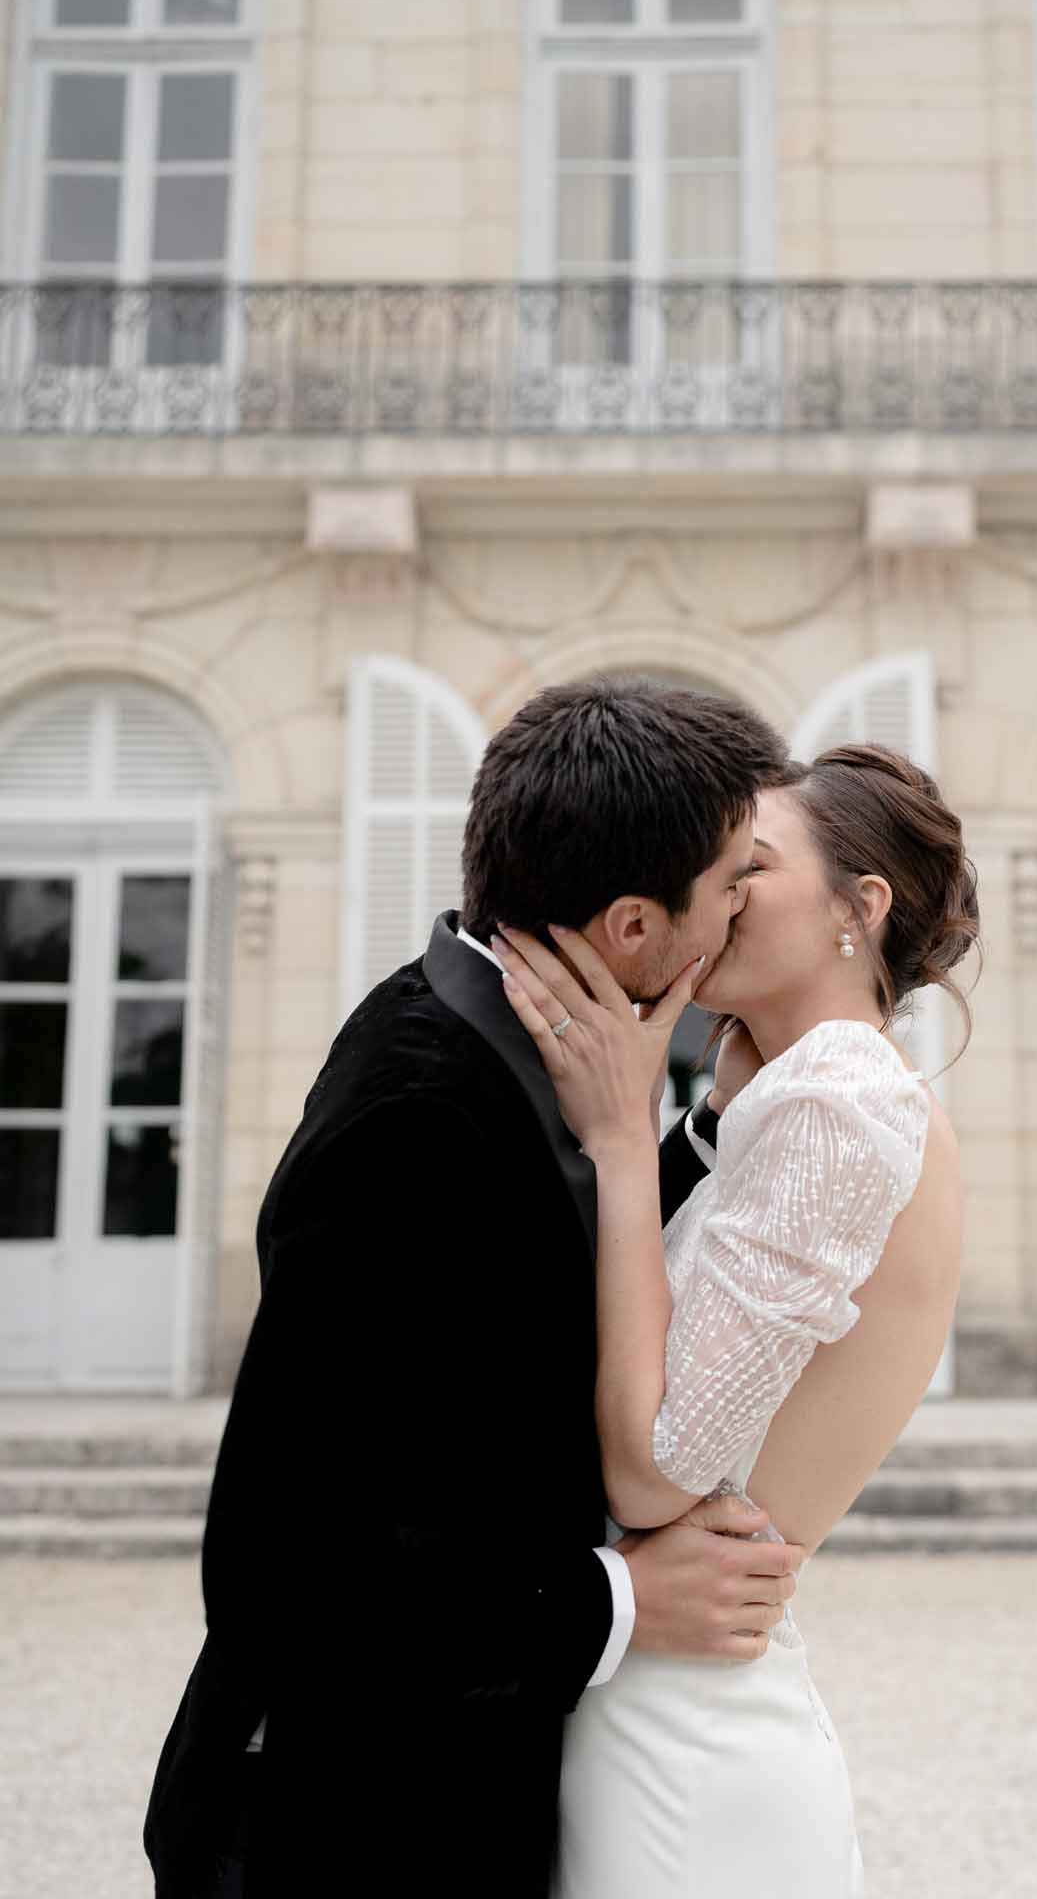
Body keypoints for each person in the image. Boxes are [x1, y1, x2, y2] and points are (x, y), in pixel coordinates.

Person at [143, 676, 797, 1899]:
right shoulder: (415, 1114)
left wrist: (697, 1132)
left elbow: (535, 1272)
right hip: (344, 1826)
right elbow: (299, 1571)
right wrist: (618, 1599)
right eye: (729, 881)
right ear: (634, 928)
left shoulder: (503, 1029)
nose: (743, 907)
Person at [496, 742, 976, 1898]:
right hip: (672, 1697)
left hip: (686, 1744)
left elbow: (659, 1469)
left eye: (748, 864)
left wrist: (622, 1139)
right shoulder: (803, 1094)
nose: (712, 889)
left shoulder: (842, 1096)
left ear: (858, 906)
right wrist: (699, 1120)